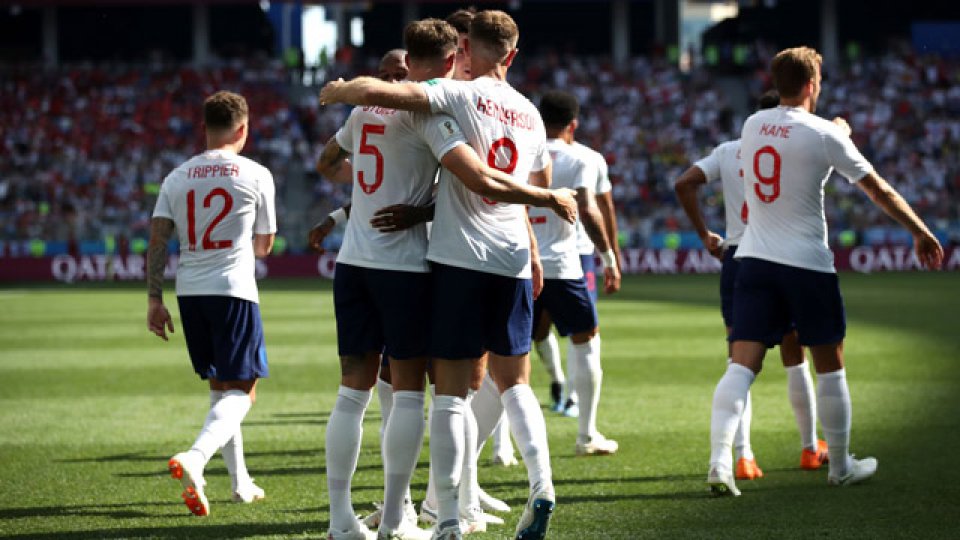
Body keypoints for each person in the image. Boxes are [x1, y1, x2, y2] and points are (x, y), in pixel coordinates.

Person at [318, 18, 576, 540]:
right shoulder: (519, 110)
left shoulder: (432, 99)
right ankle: (525, 487)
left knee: (382, 394)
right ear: (513, 51)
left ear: (464, 49)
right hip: (482, 261)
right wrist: (542, 208)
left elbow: (331, 159)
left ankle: (419, 518)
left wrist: (342, 90)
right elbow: (512, 179)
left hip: (390, 261)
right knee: (497, 385)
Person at [706, 46, 944, 497]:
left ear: (777, 85)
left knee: (741, 365)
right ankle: (839, 465)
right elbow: (879, 190)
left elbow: (792, 143)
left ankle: (720, 463)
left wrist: (830, 132)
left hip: (753, 260)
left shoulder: (751, 125)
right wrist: (920, 230)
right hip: (806, 264)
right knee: (830, 366)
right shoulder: (824, 135)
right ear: (814, 85)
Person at [674, 90, 828, 481]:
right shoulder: (797, 144)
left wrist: (704, 233)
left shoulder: (729, 150)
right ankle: (810, 449)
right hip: (784, 256)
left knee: (739, 361)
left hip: (738, 258)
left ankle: (742, 457)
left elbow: (684, 184)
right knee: (795, 358)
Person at [146, 91, 276, 516]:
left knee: (220, 387)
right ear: (243, 128)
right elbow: (264, 247)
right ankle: (196, 457)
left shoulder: (176, 176)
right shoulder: (255, 173)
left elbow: (158, 240)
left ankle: (239, 483)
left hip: (189, 291)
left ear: (204, 127)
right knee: (244, 390)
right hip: (232, 288)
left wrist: (153, 299)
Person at [530, 90, 620, 456]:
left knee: (507, 352)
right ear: (573, 124)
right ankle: (586, 434)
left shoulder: (520, 153)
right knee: (586, 338)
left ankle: (499, 446)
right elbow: (596, 206)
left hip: (521, 262)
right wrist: (611, 257)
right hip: (569, 262)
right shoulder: (584, 157)